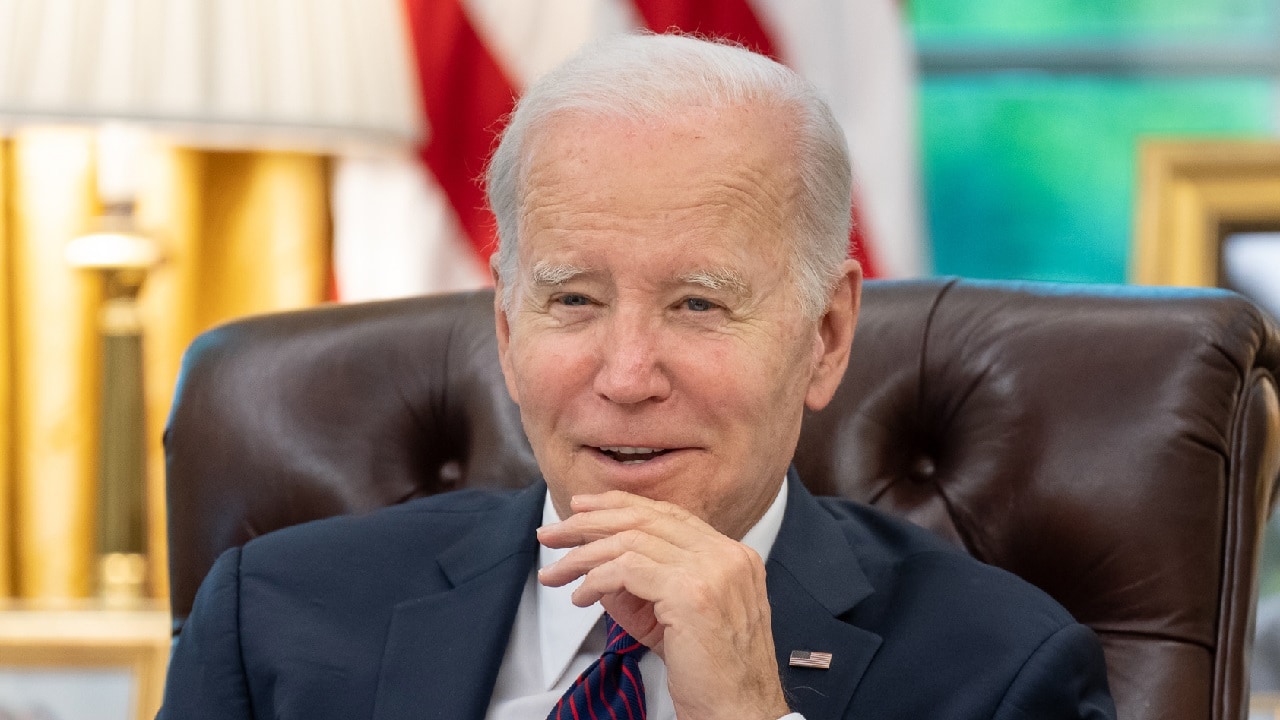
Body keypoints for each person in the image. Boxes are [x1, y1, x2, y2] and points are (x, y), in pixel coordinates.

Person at [158, 33, 1116, 720]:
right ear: (504, 324)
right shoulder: (273, 619)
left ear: (824, 336)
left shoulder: (1001, 673)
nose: (625, 376)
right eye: (572, 300)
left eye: (698, 304)